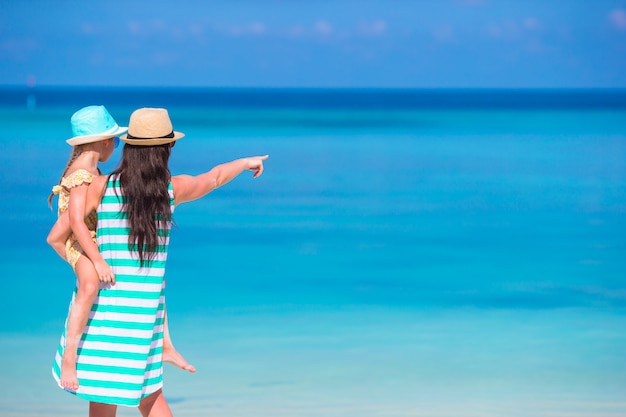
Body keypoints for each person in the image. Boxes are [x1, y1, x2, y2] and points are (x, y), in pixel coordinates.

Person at [52, 107, 268, 416]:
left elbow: (61, 232)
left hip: (102, 316)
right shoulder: (171, 191)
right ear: (167, 149)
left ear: (128, 147)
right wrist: (246, 162)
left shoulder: (100, 189)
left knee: (103, 400)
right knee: (150, 399)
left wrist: (86, 261)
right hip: (142, 320)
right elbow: (215, 178)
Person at [48, 106, 195, 394]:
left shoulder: (93, 172)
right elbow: (74, 224)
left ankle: (165, 345)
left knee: (154, 282)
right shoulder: (83, 175)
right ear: (104, 141)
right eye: (115, 139)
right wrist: (97, 260)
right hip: (83, 243)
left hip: (88, 241)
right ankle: (69, 356)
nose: (117, 145)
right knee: (89, 286)